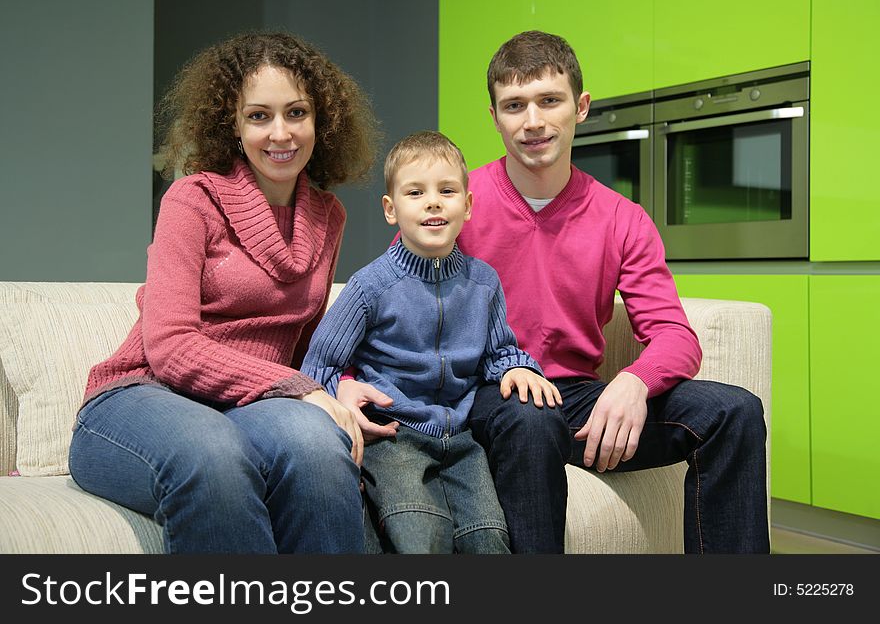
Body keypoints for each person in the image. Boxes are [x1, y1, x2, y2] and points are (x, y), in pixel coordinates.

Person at [340, 31, 770, 554]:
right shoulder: (455, 202)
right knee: (531, 416)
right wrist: (343, 380)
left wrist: (634, 382)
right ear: (495, 116)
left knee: (735, 412)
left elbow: (676, 336)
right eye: (514, 105)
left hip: (576, 396)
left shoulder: (622, 218)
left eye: (550, 100)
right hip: (481, 396)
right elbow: (384, 300)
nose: (533, 121)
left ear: (580, 107)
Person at [68, 31, 382, 554]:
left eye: (296, 113)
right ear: (232, 125)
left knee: (319, 448)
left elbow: (306, 345)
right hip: (140, 397)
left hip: (244, 408)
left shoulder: (328, 216)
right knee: (213, 455)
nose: (280, 133)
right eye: (259, 116)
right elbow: (169, 347)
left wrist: (336, 384)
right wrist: (300, 389)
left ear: (320, 121)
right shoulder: (192, 199)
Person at [301, 131, 561, 553]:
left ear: (468, 205)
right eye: (416, 192)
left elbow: (499, 353)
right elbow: (318, 367)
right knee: (420, 537)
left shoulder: (483, 282)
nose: (433, 202)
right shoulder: (371, 286)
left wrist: (518, 367)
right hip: (394, 435)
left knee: (490, 540)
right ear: (391, 209)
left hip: (461, 441)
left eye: (447, 190)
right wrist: (343, 396)